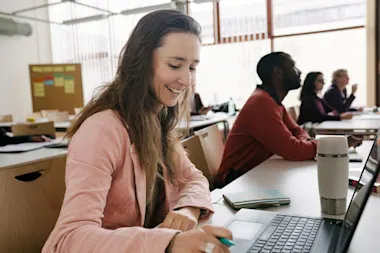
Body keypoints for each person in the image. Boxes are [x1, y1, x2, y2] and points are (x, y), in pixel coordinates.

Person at [42, 10, 231, 253]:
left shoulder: (156, 120)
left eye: (192, 67)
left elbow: (193, 178)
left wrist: (188, 210)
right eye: (175, 65)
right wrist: (170, 243)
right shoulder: (101, 130)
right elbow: (70, 238)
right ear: (141, 62)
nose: (185, 80)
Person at [214, 53, 361, 188]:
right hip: (235, 181)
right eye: (293, 67)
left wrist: (306, 143)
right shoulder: (261, 103)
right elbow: (294, 150)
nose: (299, 72)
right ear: (278, 72)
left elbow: (297, 130)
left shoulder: (273, 101)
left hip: (256, 173)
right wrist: (336, 144)